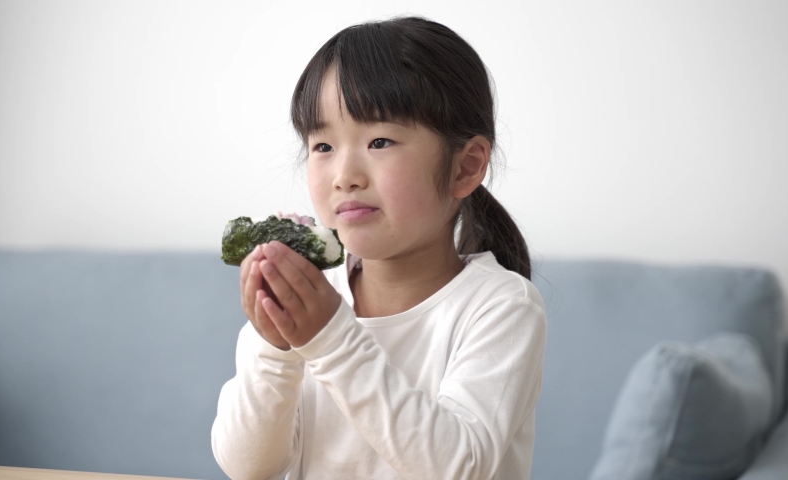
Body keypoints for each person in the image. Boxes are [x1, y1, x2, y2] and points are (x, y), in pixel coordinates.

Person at [211, 16, 548, 480]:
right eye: (323, 145)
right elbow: (247, 466)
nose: (344, 174)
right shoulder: (312, 294)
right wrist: (275, 347)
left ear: (464, 168)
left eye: (379, 141)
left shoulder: (501, 307)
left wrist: (328, 337)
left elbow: (459, 467)